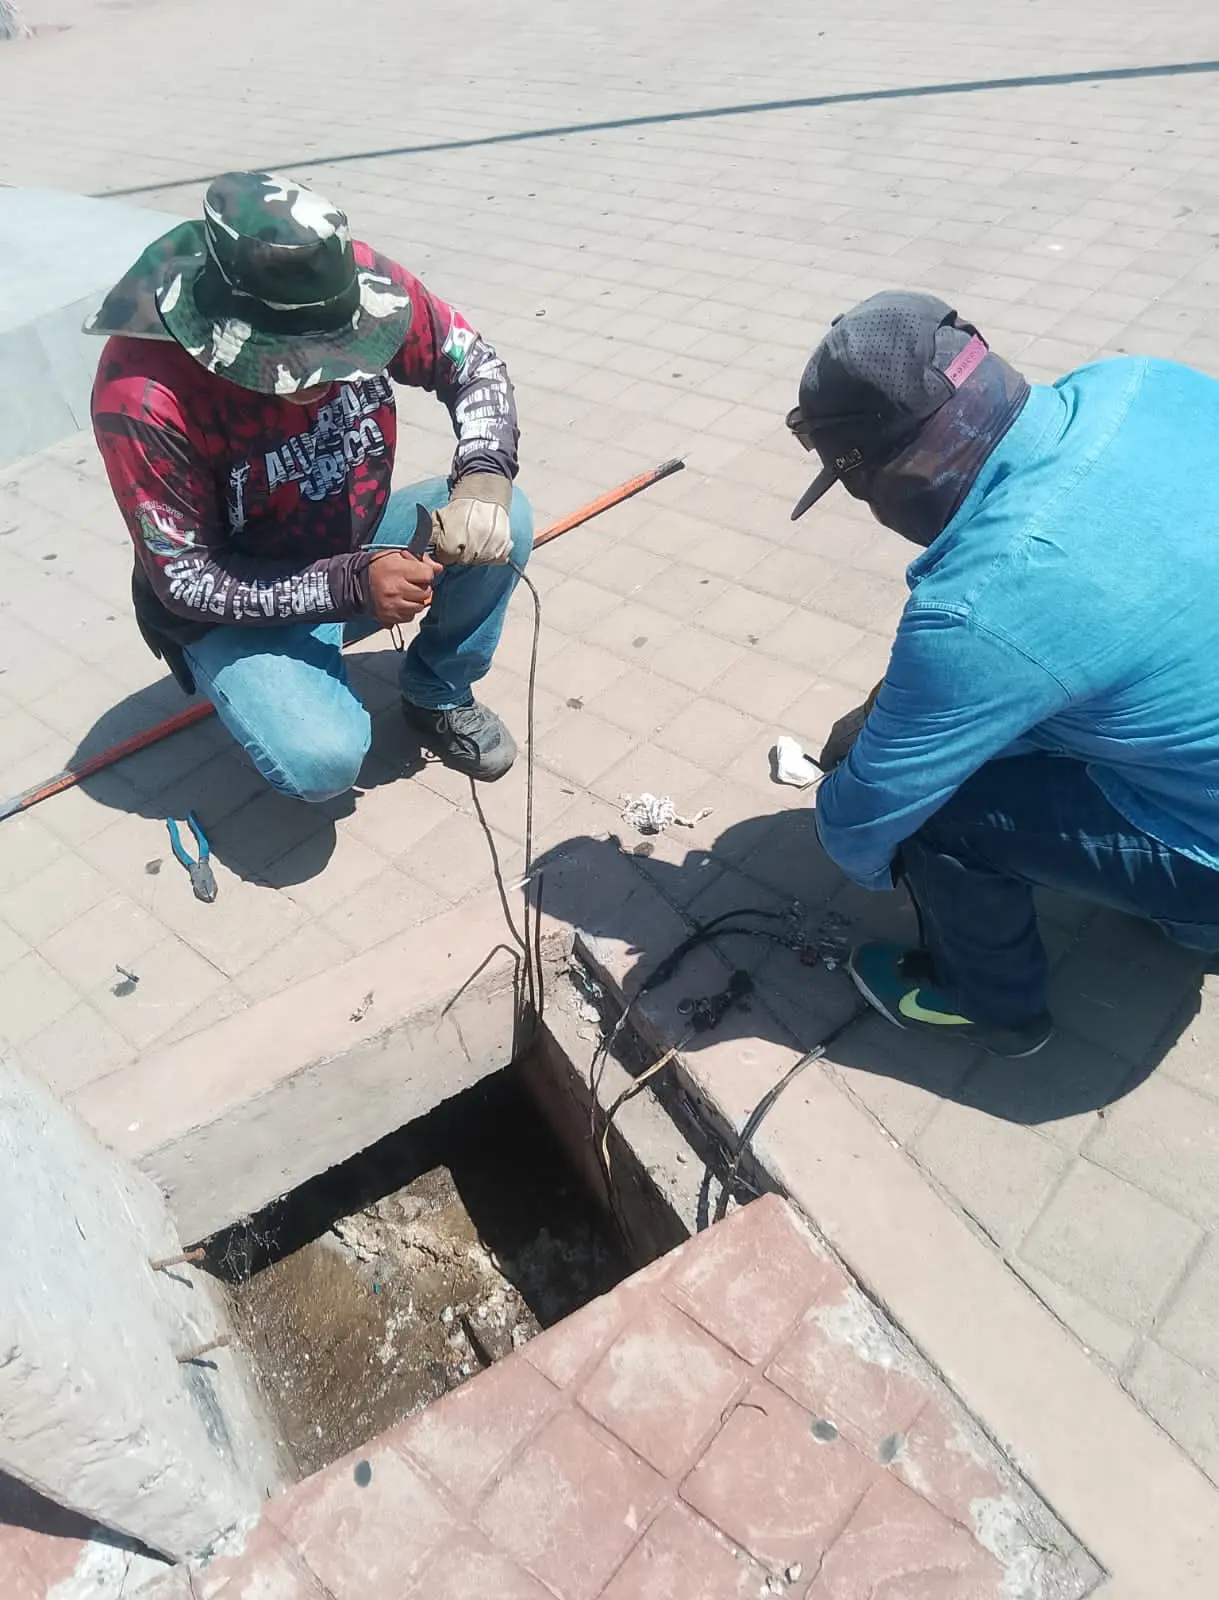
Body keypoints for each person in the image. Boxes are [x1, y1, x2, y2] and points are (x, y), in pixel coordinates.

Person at [786, 290, 1219, 1058]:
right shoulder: (1143, 381)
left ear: (894, 472)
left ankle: (987, 1003)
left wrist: (847, 797)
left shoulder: (977, 605)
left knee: (934, 811)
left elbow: (861, 826)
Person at [89, 170, 531, 795]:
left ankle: (436, 689)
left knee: (505, 522)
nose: (325, 383)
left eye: (342, 355)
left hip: (352, 536)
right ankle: (241, 673)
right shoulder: (143, 394)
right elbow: (186, 577)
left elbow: (473, 363)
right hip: (231, 598)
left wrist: (484, 474)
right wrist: (352, 584)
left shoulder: (351, 284)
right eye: (299, 367)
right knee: (321, 759)